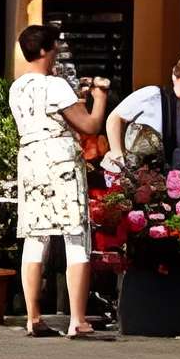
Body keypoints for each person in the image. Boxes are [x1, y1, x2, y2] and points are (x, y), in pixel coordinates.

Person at [10, 25, 111, 338]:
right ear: (44, 51)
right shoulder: (55, 85)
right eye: (54, 47)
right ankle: (77, 319)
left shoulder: (17, 87)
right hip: (60, 161)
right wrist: (99, 96)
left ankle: (33, 317)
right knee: (75, 235)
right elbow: (91, 125)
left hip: (30, 160)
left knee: (35, 236)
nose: (57, 52)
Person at [105, 54, 180, 177]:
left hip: (167, 178)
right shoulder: (152, 94)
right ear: (175, 75)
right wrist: (118, 155)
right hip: (133, 171)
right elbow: (115, 118)